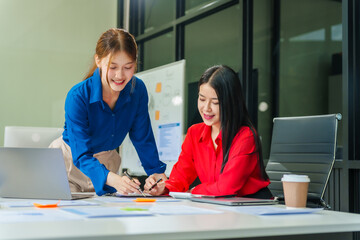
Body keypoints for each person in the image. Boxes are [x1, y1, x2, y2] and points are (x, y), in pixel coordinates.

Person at [50, 28, 166, 196]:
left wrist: (156, 174)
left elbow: (143, 138)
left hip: (107, 165)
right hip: (68, 166)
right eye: (113, 67)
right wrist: (111, 179)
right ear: (98, 61)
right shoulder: (78, 96)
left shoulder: (137, 90)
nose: (120, 75)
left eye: (128, 67)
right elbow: (81, 154)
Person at [144, 65, 272, 199]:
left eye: (215, 102)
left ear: (231, 102)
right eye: (202, 99)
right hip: (217, 205)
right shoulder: (194, 133)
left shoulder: (245, 136)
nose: (206, 108)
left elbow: (226, 188)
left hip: (252, 206)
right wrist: (163, 187)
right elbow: (180, 177)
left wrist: (193, 191)